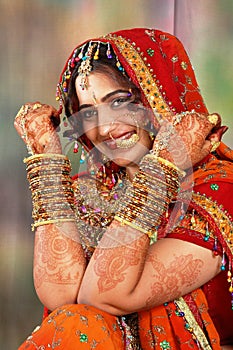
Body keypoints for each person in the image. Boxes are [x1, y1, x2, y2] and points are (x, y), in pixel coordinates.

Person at [14, 28, 233, 349]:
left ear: (159, 95)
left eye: (119, 101)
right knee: (73, 322)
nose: (103, 127)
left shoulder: (218, 188)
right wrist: (47, 162)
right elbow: (60, 295)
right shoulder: (91, 189)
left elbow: (105, 295)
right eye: (88, 112)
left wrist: (162, 167)